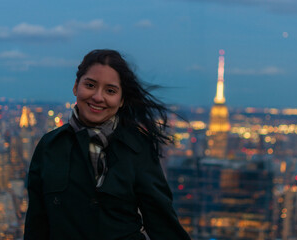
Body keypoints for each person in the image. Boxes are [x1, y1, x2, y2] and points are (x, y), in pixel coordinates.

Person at [24, 49, 191, 240]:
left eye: (110, 91)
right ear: (75, 86)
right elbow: (36, 227)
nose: (97, 97)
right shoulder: (50, 147)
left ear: (121, 100)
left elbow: (163, 226)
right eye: (90, 85)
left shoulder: (137, 147)